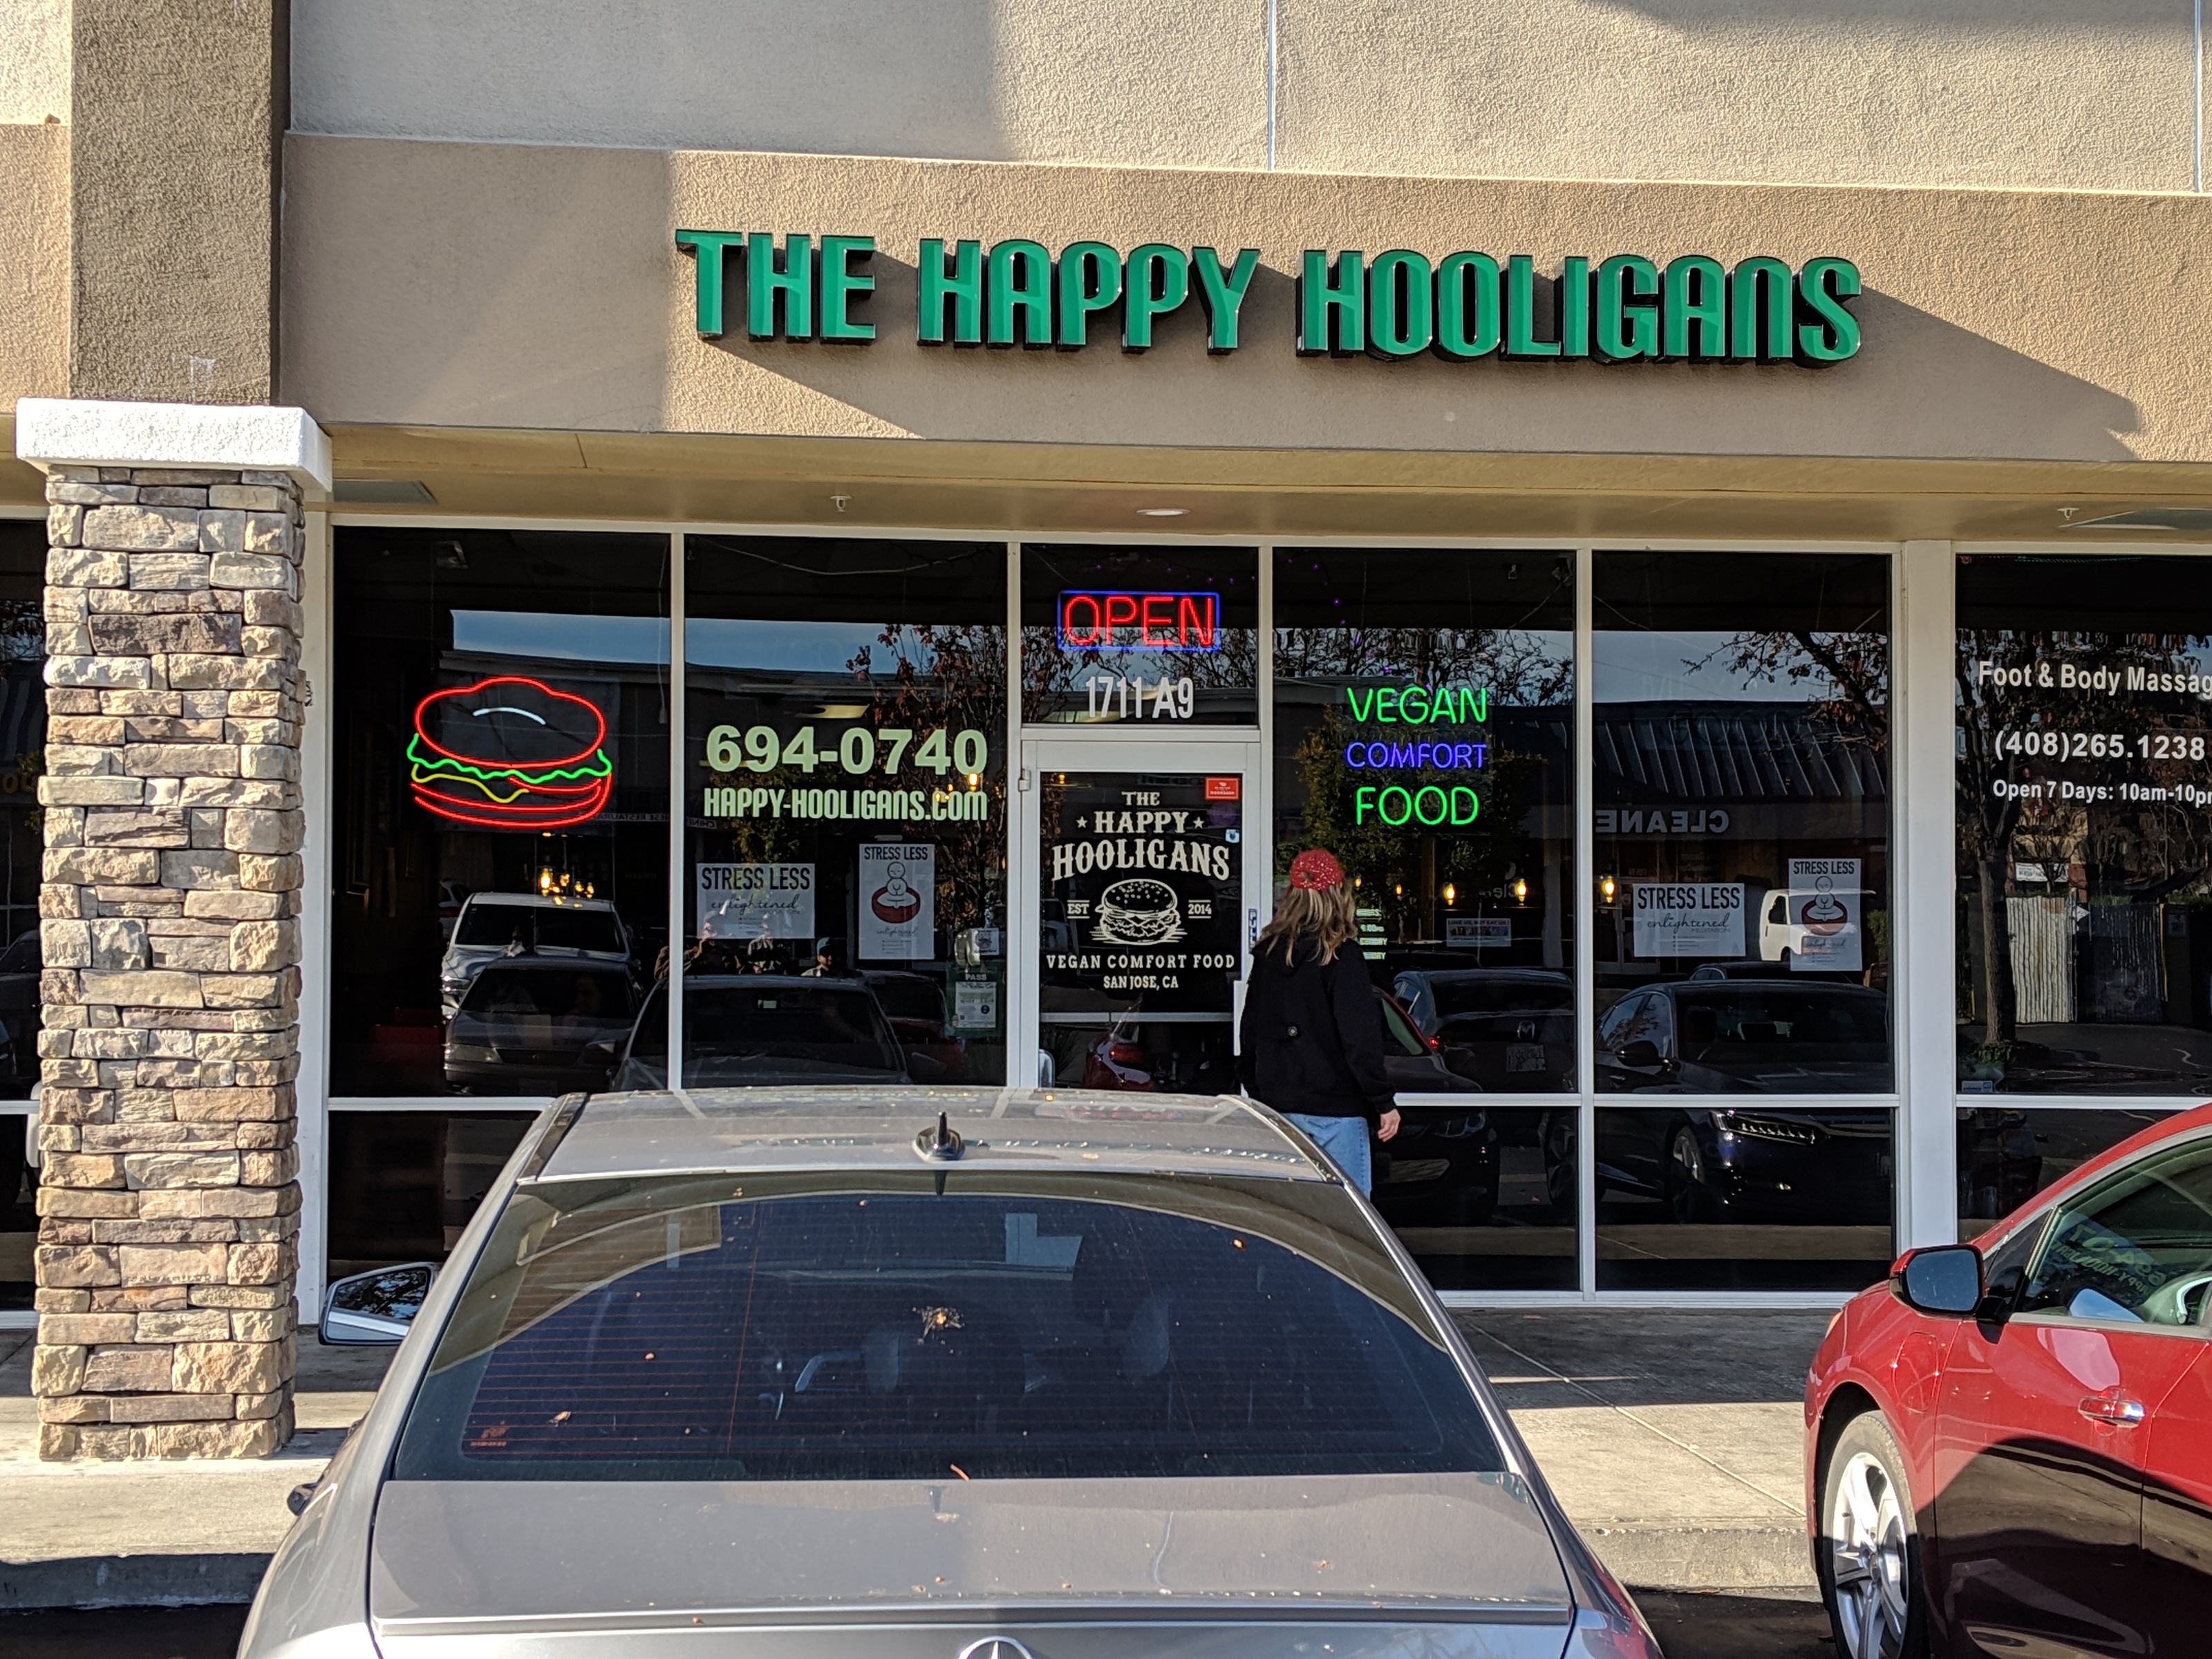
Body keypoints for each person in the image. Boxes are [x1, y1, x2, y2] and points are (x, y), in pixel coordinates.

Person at [1236, 847, 1399, 1194]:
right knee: (1345, 1217)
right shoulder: (1342, 955)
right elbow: (1359, 1038)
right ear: (1338, 893)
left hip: (1279, 1109)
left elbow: (1250, 1033)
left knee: (1290, 1216)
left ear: (1292, 896)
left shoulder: (1268, 956)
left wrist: (1259, 1090)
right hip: (1336, 1111)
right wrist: (1382, 1101)